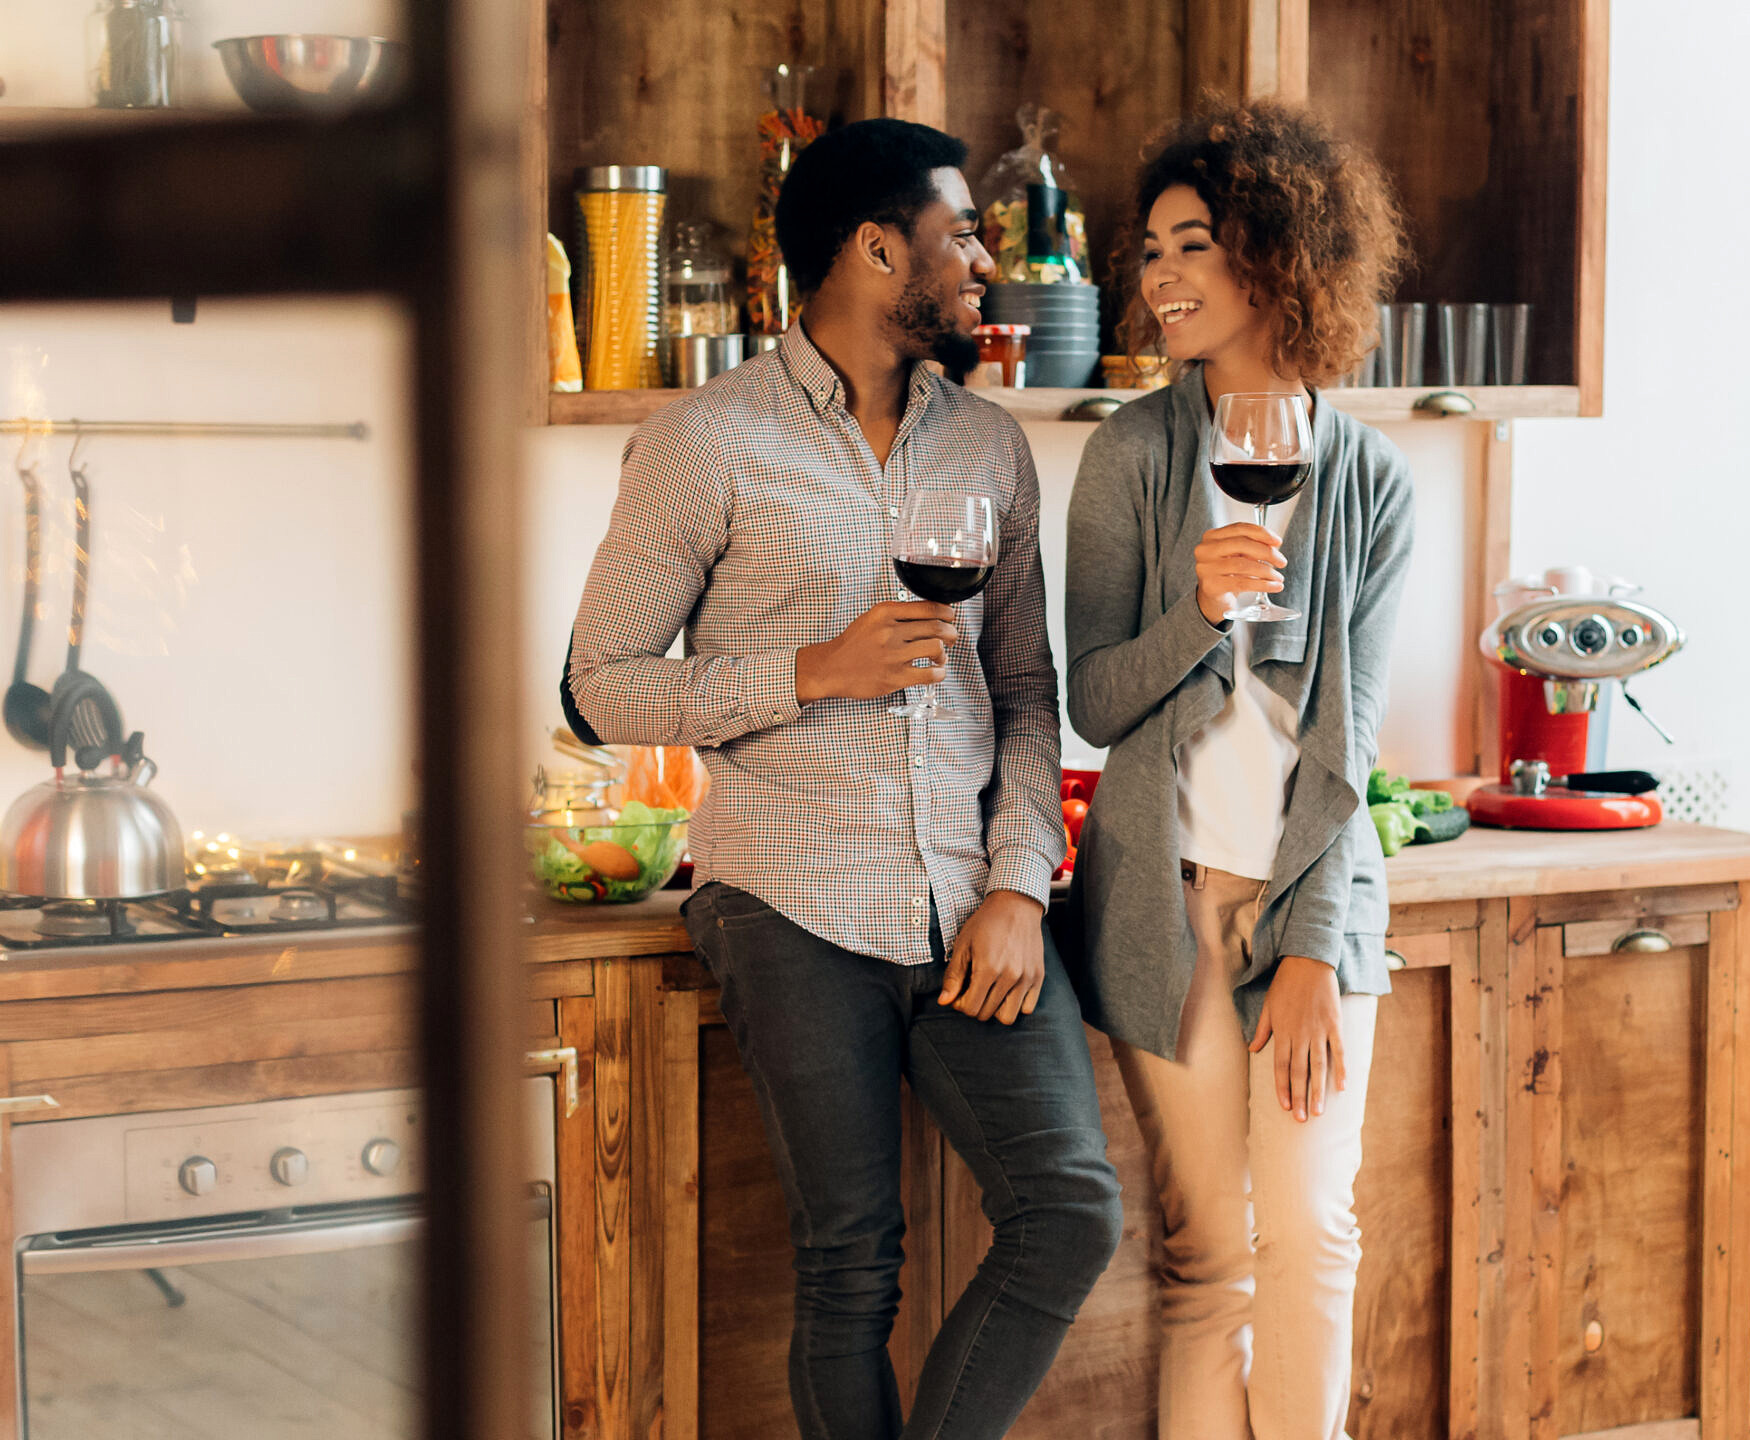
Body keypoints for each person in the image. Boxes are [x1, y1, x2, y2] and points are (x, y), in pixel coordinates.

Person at [566, 117, 1120, 1440]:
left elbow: (1029, 696)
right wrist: (808, 671)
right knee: (848, 1271)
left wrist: (1019, 884)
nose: (987, 260)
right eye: (961, 234)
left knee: (1070, 1211)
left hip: (971, 906)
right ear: (880, 250)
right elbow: (599, 685)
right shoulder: (707, 443)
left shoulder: (989, 448)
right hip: (794, 900)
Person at [1061, 98, 1415, 1440]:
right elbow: (1095, 701)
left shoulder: (1370, 479)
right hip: (1167, 911)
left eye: (1191, 244)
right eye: (1148, 251)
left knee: (1315, 1240)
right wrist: (1192, 618)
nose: (1158, 278)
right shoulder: (1130, 458)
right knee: (1206, 1259)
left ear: (1277, 254)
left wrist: (1319, 946)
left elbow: (1353, 739)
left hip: (1310, 910)